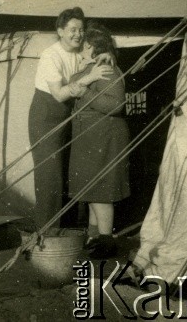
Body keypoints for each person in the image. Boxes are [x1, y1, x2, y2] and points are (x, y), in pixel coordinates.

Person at [28, 7, 113, 229]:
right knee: (50, 176)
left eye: (81, 30)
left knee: (71, 172)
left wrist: (107, 54)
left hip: (70, 114)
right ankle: (47, 233)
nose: (78, 34)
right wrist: (90, 78)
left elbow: (99, 52)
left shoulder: (80, 51)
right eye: (72, 30)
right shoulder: (50, 55)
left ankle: (70, 231)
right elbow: (58, 94)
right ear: (60, 31)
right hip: (47, 115)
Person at [68, 21, 130, 259]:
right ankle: (95, 237)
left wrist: (85, 92)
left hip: (103, 134)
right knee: (92, 189)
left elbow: (116, 105)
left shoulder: (106, 69)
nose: (80, 48)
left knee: (100, 190)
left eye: (84, 45)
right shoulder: (93, 66)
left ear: (92, 46)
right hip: (89, 134)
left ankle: (106, 241)